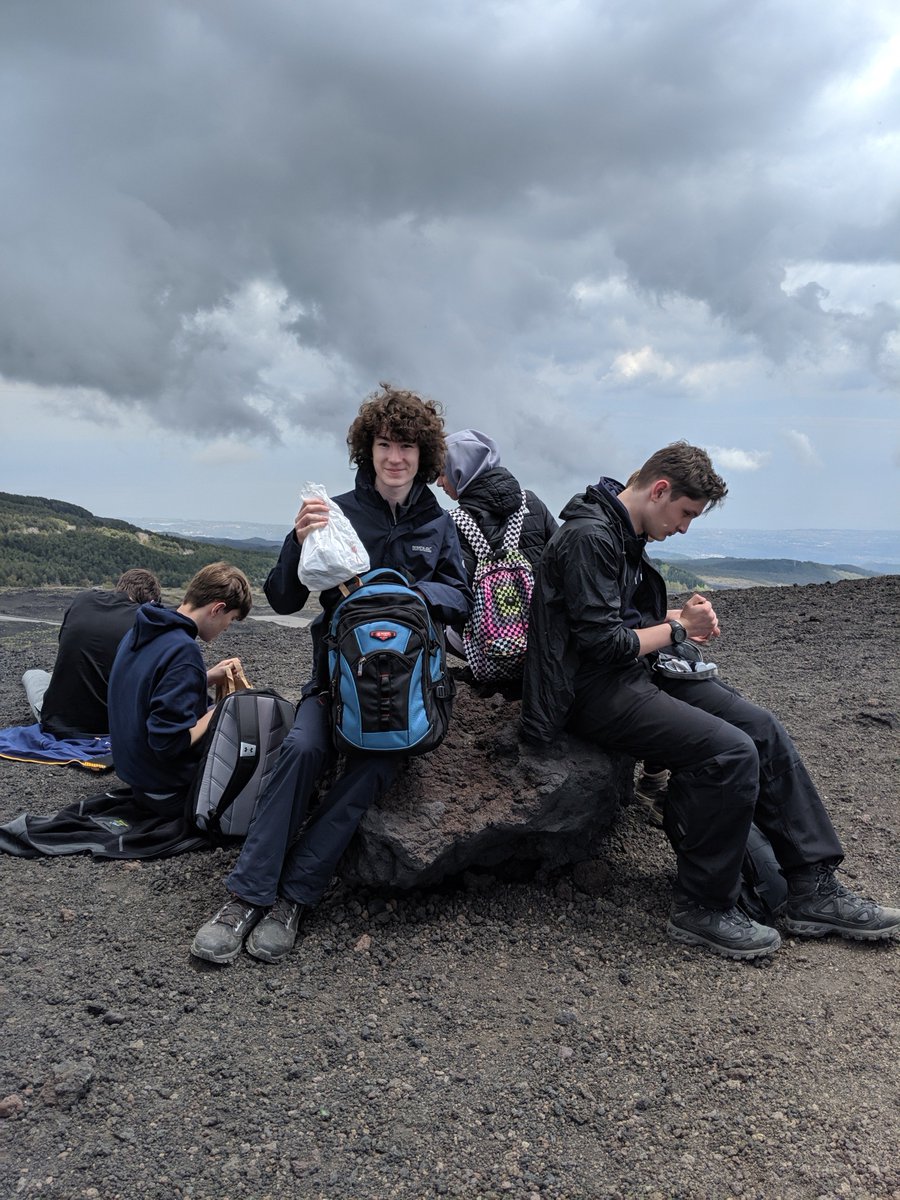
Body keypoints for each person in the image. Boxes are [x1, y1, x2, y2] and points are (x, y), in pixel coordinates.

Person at [520, 441, 900, 960]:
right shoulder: (590, 536)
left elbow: (621, 620)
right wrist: (679, 627)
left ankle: (813, 888)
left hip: (633, 671)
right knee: (728, 752)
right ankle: (702, 906)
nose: (684, 528)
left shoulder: (619, 530)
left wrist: (676, 617)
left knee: (761, 728)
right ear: (659, 490)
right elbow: (601, 643)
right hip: (587, 689)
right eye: (685, 514)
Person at [191, 385, 473, 965]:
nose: (395, 458)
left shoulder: (440, 525)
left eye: (407, 447)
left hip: (407, 695)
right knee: (300, 750)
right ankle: (246, 896)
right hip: (333, 686)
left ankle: (294, 898)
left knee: (372, 769)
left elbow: (462, 598)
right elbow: (283, 598)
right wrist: (296, 541)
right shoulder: (335, 513)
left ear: (424, 455)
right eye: (385, 445)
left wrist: (406, 596)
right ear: (368, 449)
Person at [107, 561, 252, 810]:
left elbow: (148, 686)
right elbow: (168, 743)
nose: (227, 627)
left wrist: (205, 677)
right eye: (231, 619)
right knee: (242, 735)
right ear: (217, 609)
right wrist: (223, 707)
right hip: (164, 791)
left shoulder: (144, 629)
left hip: (135, 774)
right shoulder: (184, 651)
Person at [436, 428, 558, 659]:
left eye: (442, 473)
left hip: (489, 648)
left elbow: (458, 601)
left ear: (460, 470)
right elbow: (562, 563)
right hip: (543, 638)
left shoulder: (454, 522)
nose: (439, 482)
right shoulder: (532, 503)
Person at [22, 569, 162, 738]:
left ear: (120, 587)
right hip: (111, 728)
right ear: (151, 601)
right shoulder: (145, 622)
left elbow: (64, 644)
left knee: (34, 674)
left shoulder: (83, 599)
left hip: (56, 722)